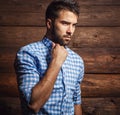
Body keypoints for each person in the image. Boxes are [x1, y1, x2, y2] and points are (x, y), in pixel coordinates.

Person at [14, 0, 84, 114]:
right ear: (49, 24)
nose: (70, 31)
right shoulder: (28, 54)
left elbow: (76, 103)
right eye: (65, 23)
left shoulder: (77, 60)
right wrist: (56, 62)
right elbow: (33, 104)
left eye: (74, 25)